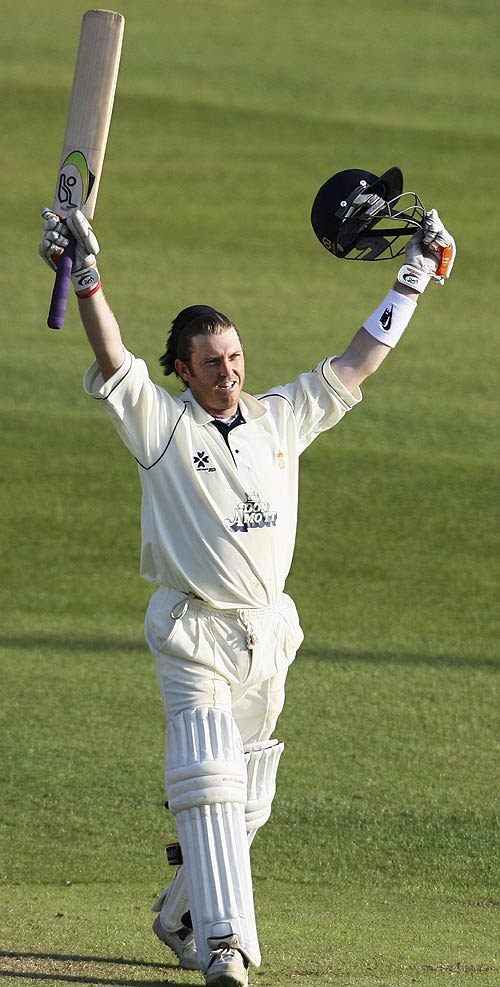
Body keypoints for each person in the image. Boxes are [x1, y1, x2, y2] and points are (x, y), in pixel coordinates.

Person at [38, 176, 455, 987]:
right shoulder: (161, 428)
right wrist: (88, 277)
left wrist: (412, 279)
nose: (228, 372)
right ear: (184, 371)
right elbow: (112, 358)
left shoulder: (277, 418)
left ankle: (181, 911)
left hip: (266, 634)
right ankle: (225, 946)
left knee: (248, 799)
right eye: (212, 363)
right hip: (194, 632)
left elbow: (353, 366)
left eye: (234, 357)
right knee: (210, 781)